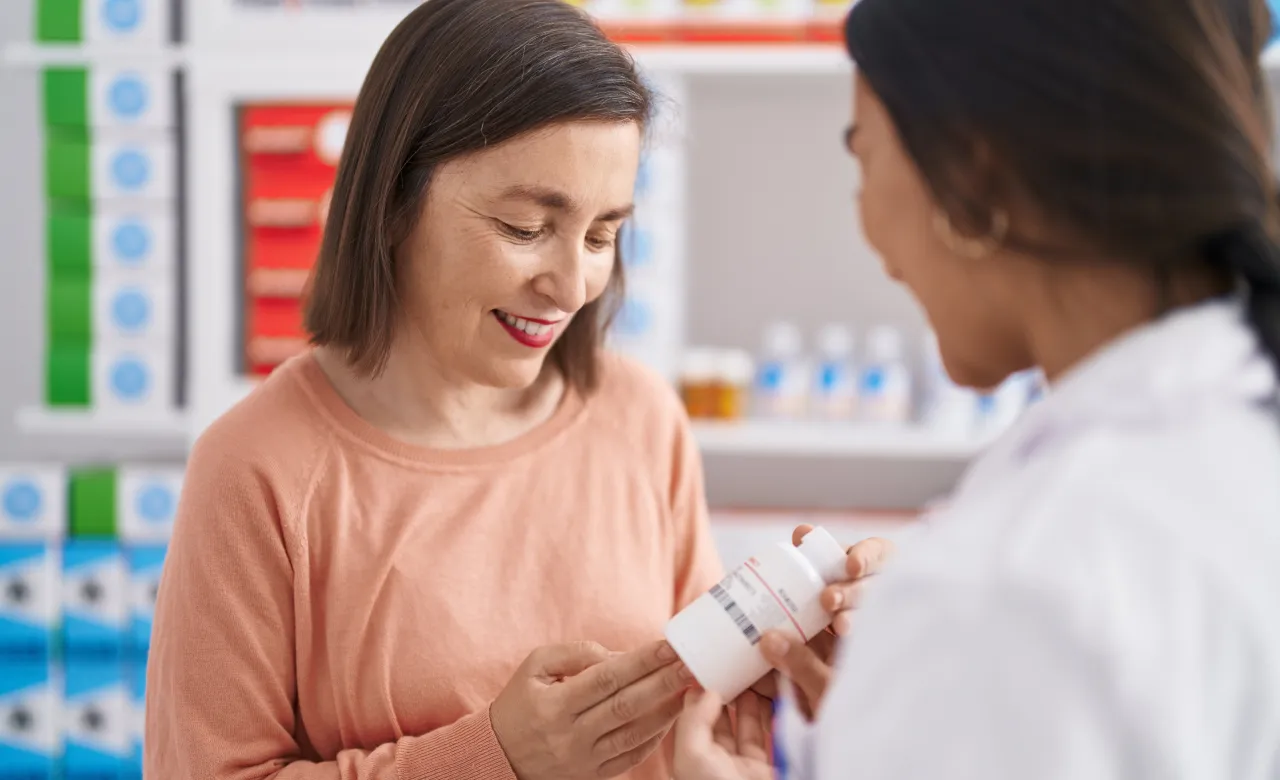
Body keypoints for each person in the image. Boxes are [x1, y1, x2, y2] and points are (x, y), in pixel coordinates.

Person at [144, 1, 885, 778]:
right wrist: (494, 757)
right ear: (394, 200)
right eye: (527, 228)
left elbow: (695, 723)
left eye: (602, 235)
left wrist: (801, 677)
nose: (572, 285)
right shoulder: (256, 471)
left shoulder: (640, 419)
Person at [673, 0, 1280, 777]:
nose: (868, 224)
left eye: (862, 157)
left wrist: (930, 695)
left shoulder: (1009, 583)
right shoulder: (1227, 435)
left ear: (969, 174)